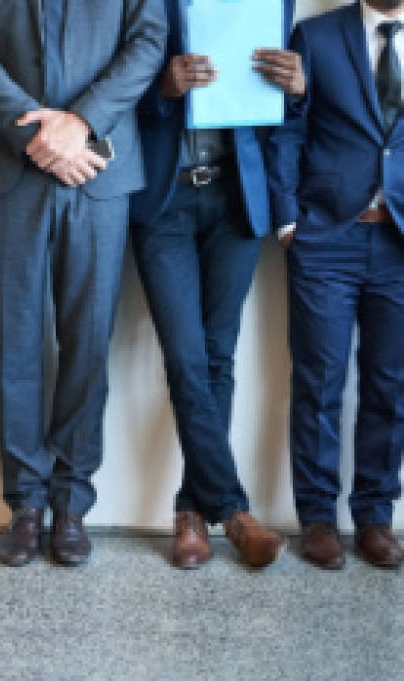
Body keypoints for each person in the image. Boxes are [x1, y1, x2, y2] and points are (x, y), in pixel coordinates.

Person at [0, 0, 166, 567]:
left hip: (98, 166)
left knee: (88, 341)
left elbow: (146, 43)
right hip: (8, 165)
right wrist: (36, 132)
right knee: (16, 342)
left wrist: (80, 124)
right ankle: (25, 501)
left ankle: (71, 501)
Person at [129, 0, 302, 570]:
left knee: (218, 359)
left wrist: (297, 91)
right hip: (165, 199)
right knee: (186, 359)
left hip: (238, 199)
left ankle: (190, 513)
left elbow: (279, 119)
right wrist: (163, 89)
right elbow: (116, 85)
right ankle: (233, 509)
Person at [267, 0, 404, 569]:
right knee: (319, 382)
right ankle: (318, 518)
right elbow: (287, 128)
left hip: (399, 242)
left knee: (389, 386)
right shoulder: (316, 35)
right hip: (327, 239)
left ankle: (375, 516)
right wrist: (288, 221)